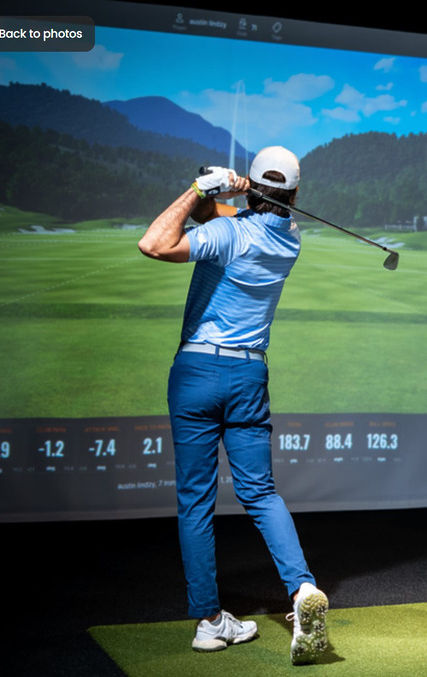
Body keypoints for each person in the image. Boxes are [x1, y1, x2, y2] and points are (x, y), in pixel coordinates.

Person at [137, 146, 328, 663]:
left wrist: (202, 188)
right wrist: (227, 194)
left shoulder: (228, 235)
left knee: (196, 501)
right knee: (260, 492)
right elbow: (229, 221)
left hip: (197, 373)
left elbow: (153, 243)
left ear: (254, 188)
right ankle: (303, 589)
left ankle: (207, 621)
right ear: (294, 193)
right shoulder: (289, 239)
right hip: (248, 374)